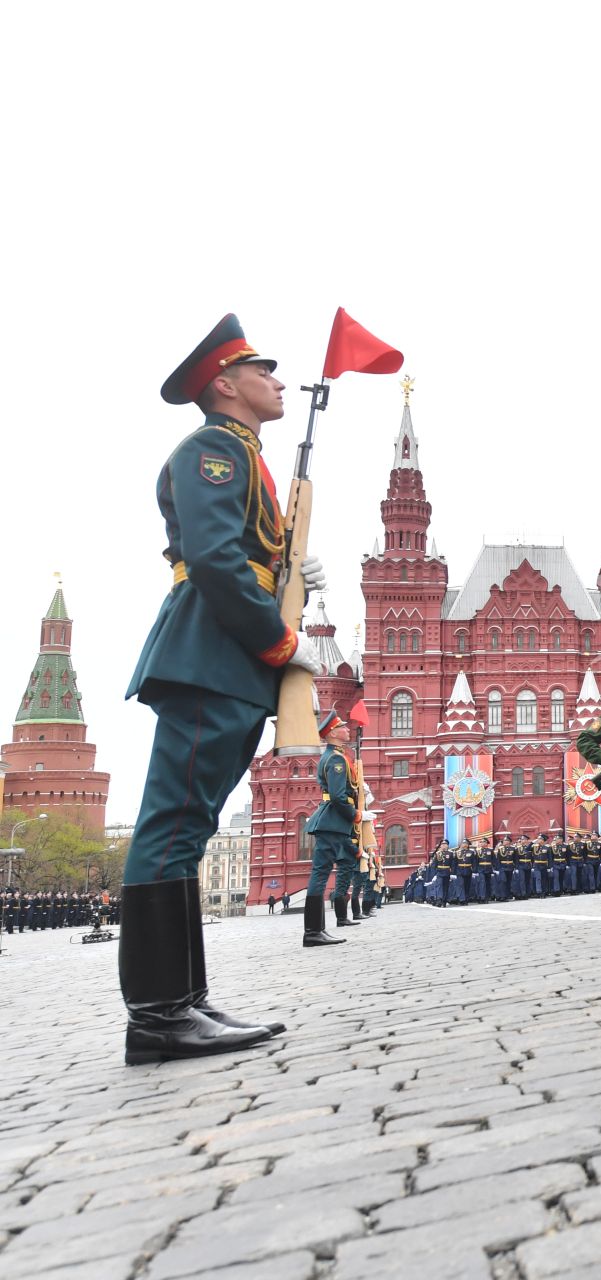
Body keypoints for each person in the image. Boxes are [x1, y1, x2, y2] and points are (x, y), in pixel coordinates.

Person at [120, 314, 318, 1063]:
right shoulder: (211, 450)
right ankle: (159, 1016)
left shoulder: (244, 455)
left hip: (227, 661)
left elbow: (252, 553)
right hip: (212, 651)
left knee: (189, 828)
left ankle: (183, 1001)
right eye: (262, 370)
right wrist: (277, 638)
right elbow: (213, 558)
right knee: (172, 825)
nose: (277, 381)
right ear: (224, 384)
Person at [303, 710, 359, 945]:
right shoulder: (335, 759)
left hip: (332, 822)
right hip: (332, 821)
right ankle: (313, 931)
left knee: (322, 872)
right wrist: (355, 814)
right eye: (343, 726)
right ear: (333, 733)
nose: (348, 729)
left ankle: (317, 930)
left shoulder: (335, 755)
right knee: (320, 872)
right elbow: (337, 796)